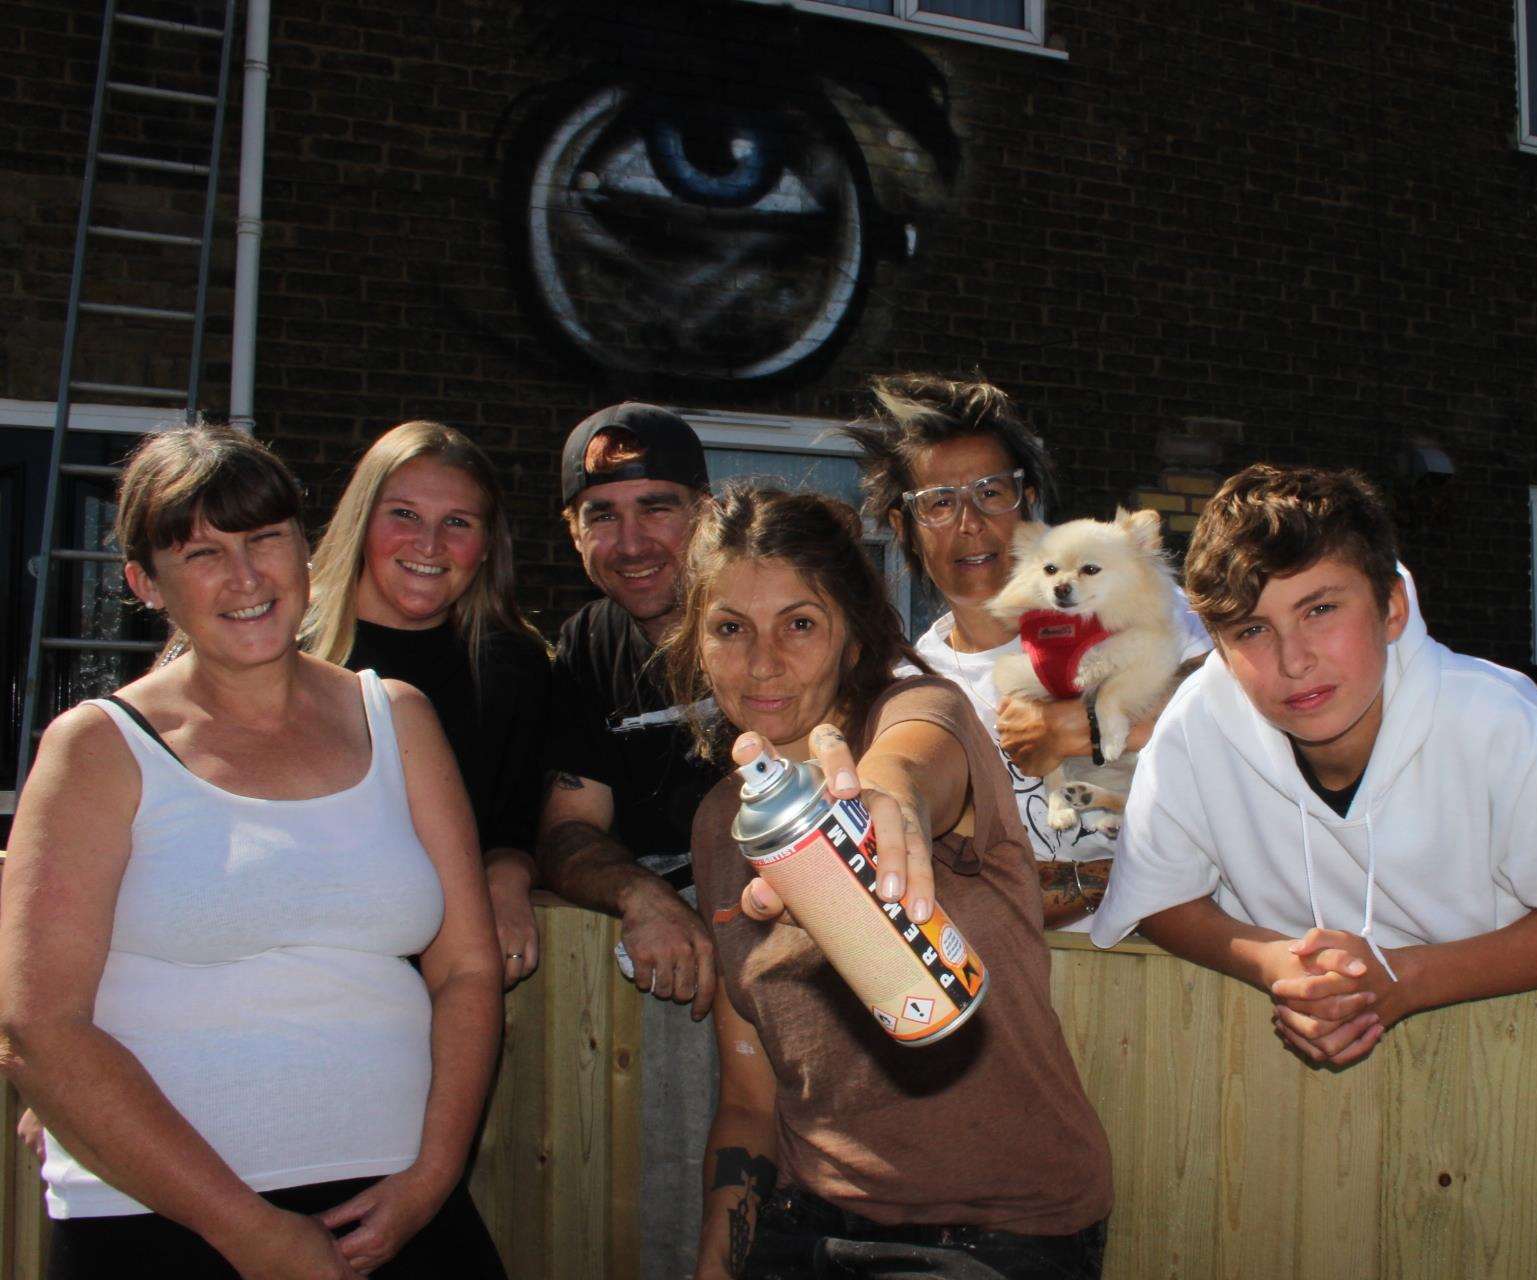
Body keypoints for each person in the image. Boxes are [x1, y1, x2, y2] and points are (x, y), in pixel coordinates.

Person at [0, 422, 505, 1279]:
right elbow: (38, 1028)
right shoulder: (97, 747)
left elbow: (466, 969)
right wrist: (246, 1230)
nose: (245, 577)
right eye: (200, 554)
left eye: (265, 539)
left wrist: (429, 1178)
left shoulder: (400, 719)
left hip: (397, 1215)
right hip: (160, 1221)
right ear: (143, 584)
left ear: (305, 552)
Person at [663, 487, 1112, 1280]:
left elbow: (914, 758)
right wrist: (715, 1261)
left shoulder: (922, 710)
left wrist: (884, 803)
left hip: (1000, 1232)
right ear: (697, 643)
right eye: (731, 629)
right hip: (807, 1217)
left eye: (799, 624)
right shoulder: (718, 823)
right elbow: (747, 1100)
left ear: (852, 638)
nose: (762, 663)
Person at [1090, 465, 1537, 1066]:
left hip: (1501, 1060)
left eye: (1319, 609)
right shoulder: (1196, 722)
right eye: (1252, 629)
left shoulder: (1498, 717)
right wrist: (1278, 963)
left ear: (1392, 607)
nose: (1294, 660)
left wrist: (1406, 978)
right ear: (1219, 645)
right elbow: (1155, 898)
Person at [842, 375, 1212, 927]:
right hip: (1019, 979)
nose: (970, 524)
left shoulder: (1128, 598)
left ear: (1029, 505)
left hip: (1181, 967)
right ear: (905, 526)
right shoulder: (911, 688)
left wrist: (1083, 724)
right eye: (939, 503)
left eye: (991, 493)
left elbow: (1245, 711)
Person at [304, 419, 553, 988]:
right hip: (300, 961)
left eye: (457, 523)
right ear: (362, 520)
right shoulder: (283, 647)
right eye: (405, 515)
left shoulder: (514, 666)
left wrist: (507, 877)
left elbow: (517, 825)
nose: (429, 545)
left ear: (487, 545)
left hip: (442, 979)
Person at [537, 402, 722, 1014]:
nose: (631, 542)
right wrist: (641, 894)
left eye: (657, 508)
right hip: (654, 976)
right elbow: (570, 828)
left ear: (705, 513)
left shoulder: (775, 610)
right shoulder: (586, 646)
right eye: (602, 515)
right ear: (574, 534)